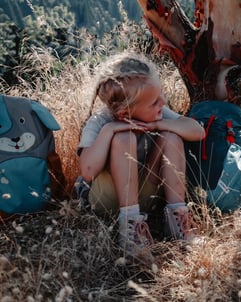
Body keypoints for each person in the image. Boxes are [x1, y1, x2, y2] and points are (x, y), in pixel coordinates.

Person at [77, 52, 205, 262]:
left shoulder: (159, 113)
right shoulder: (100, 122)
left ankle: (177, 220)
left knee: (171, 136)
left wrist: (158, 125)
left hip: (146, 193)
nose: (163, 102)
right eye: (155, 102)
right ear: (124, 113)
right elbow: (88, 172)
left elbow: (197, 131)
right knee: (123, 139)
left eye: (161, 94)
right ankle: (130, 227)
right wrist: (110, 130)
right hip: (107, 199)